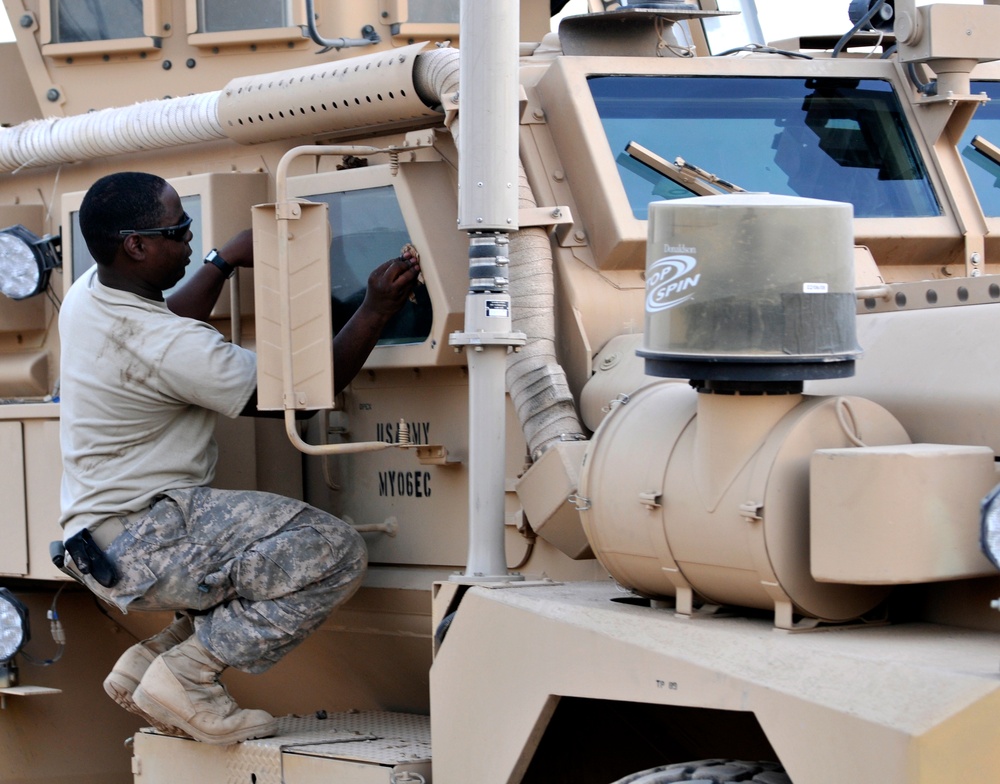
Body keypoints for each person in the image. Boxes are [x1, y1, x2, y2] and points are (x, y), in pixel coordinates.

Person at [58, 171, 420, 745]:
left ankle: (146, 665)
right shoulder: (170, 347)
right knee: (331, 551)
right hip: (146, 540)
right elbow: (301, 395)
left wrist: (220, 261)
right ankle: (187, 675)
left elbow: (171, 312)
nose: (189, 237)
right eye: (180, 230)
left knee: (248, 562)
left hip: (98, 539)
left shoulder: (90, 293)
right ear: (136, 246)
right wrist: (376, 307)